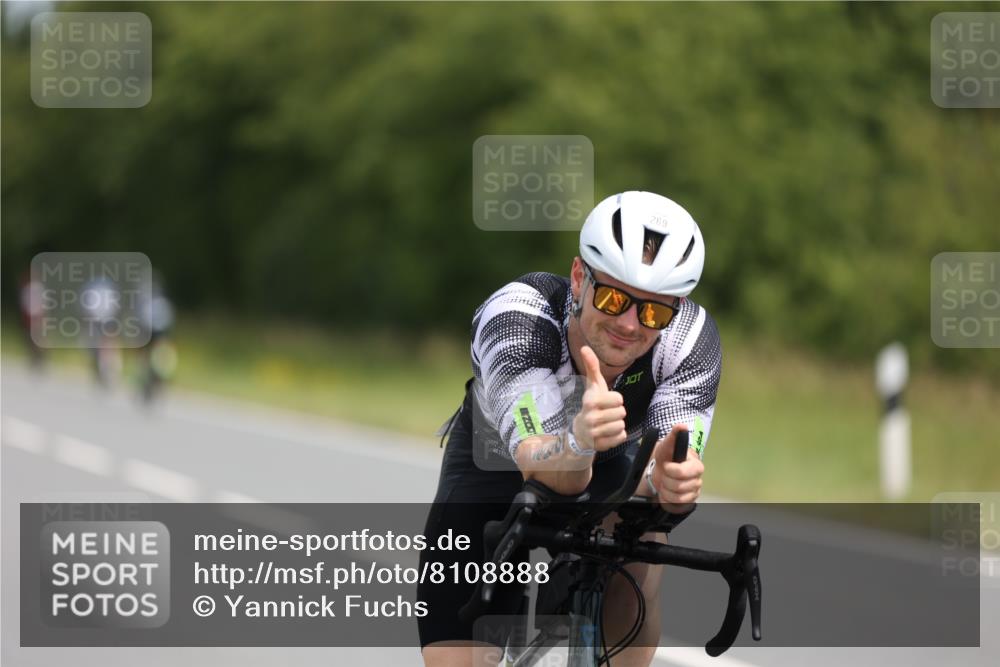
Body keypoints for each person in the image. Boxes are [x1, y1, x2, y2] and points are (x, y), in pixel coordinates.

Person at [418, 191, 722, 666]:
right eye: (613, 298)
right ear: (579, 277)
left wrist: (669, 482)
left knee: (642, 549)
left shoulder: (689, 340)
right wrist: (579, 439)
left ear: (676, 309)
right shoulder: (517, 317)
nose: (630, 324)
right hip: (495, 462)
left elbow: (669, 463)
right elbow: (543, 467)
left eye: (653, 311)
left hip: (609, 462)